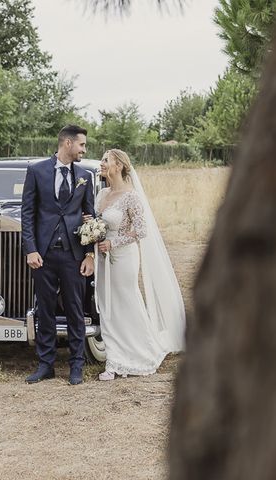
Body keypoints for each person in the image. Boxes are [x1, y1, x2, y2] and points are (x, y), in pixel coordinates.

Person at [94, 149, 185, 380]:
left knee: (127, 301)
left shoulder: (131, 196)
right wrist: (91, 225)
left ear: (119, 166)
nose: (102, 163)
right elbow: (99, 222)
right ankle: (114, 359)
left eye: (106, 160)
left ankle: (139, 352)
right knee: (107, 305)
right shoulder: (102, 193)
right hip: (103, 258)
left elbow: (141, 231)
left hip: (124, 257)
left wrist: (114, 243)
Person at [21, 125, 95, 385]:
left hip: (73, 255)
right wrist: (30, 249)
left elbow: (90, 218)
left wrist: (89, 255)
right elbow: (27, 214)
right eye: (82, 145)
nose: (84, 149)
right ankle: (46, 365)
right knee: (45, 311)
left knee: (75, 310)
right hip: (43, 255)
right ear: (67, 143)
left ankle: (76, 365)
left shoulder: (86, 175)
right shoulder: (36, 170)